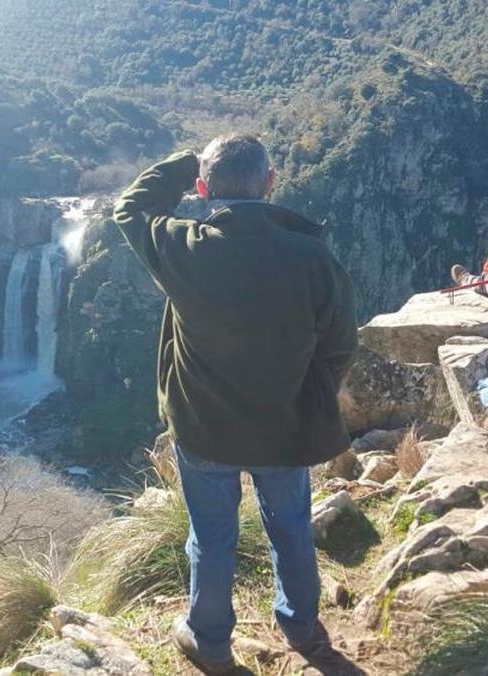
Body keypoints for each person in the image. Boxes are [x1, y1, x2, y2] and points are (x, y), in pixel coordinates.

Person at [112, 135, 358, 674]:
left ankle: (210, 641)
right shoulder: (312, 256)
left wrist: (185, 160)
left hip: (204, 429)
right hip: (286, 426)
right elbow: (341, 343)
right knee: (291, 523)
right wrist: (306, 392)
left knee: (212, 534)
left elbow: (130, 206)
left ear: (203, 189)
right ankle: (299, 626)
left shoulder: (185, 247)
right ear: (271, 184)